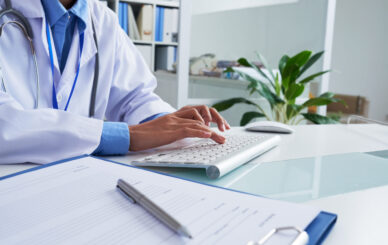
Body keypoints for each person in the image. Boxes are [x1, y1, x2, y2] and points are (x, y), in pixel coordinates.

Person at [0, 0, 230, 164]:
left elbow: (135, 96)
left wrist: (170, 124)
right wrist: (127, 136)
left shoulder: (102, 19)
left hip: (81, 176)